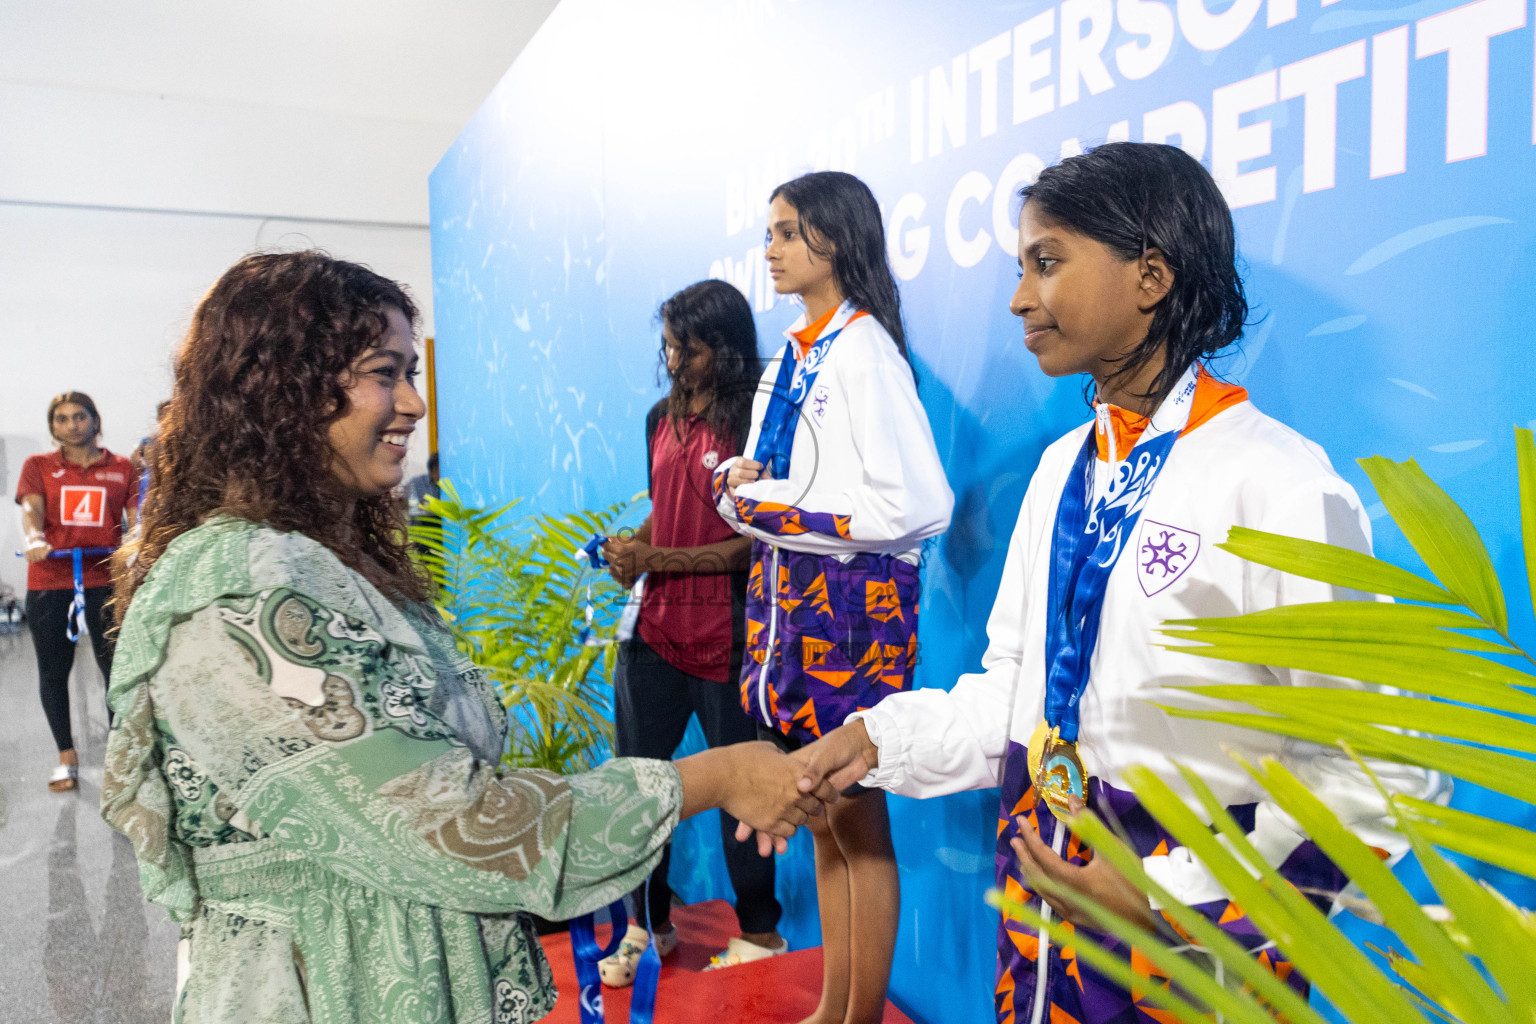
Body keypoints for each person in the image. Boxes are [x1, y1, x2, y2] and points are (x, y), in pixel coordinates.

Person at [776, 143, 1436, 1024]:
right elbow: (1014, 694)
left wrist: (1174, 898)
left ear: (1151, 275)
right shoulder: (1062, 472)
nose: (1018, 298)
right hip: (1042, 951)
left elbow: (1373, 772)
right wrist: (872, 739)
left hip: (1198, 973)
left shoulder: (1276, 484)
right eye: (1020, 267)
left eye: (1046, 263)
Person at [100, 250, 829, 1023]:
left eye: (409, 371)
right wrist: (711, 780)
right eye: (386, 372)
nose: (413, 403)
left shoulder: (318, 562)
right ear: (284, 385)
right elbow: (457, 824)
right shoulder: (237, 596)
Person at [713, 172, 953, 1024]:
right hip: (788, 616)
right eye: (769, 233)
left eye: (785, 233)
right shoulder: (795, 351)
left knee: (858, 822)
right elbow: (769, 482)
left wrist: (769, 505)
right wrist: (745, 484)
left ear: (834, 239)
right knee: (818, 814)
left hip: (852, 623)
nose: (769, 250)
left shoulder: (863, 352)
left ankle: (858, 1015)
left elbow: (917, 504)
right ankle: (832, 1008)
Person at [596, 279, 780, 985]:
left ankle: (761, 934)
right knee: (641, 789)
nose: (674, 360)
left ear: (726, 348)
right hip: (653, 633)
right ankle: (650, 926)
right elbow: (668, 513)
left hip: (731, 634)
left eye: (689, 348)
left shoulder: (754, 424)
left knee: (742, 789)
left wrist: (659, 558)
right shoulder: (657, 419)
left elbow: (754, 542)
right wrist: (633, 548)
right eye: (669, 345)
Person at [16, 391, 139, 791]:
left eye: (79, 416)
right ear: (53, 426)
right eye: (62, 418)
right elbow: (31, 512)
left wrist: (138, 540)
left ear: (94, 419)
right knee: (54, 669)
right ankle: (66, 757)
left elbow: (137, 518)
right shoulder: (37, 466)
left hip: (105, 579)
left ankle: (120, 758)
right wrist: (34, 538)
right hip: (51, 582)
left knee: (114, 670)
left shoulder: (121, 468)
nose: (72, 425)